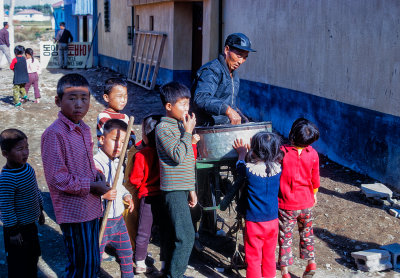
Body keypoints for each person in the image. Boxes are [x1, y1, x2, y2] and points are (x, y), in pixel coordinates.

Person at [41, 73, 110, 277]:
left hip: (91, 207)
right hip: (74, 213)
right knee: (82, 265)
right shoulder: (54, 134)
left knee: (91, 261)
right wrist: (90, 186)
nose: (79, 104)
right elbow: (57, 178)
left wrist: (97, 175)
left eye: (84, 98)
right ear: (57, 101)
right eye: (72, 99)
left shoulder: (84, 129)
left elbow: (86, 163)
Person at [155, 82, 197, 278]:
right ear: (169, 106)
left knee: (177, 235)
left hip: (182, 187)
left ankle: (171, 273)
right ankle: (175, 275)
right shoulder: (163, 128)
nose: (186, 108)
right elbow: (177, 156)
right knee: (186, 237)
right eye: (182, 104)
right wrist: (188, 134)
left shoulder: (180, 126)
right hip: (172, 189)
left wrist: (191, 188)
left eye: (188, 103)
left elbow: (188, 162)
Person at [232, 132, 284, 278]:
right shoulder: (278, 169)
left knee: (254, 257)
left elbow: (240, 166)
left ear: (254, 150)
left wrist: (242, 153)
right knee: (269, 256)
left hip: (254, 222)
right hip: (273, 222)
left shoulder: (248, 170)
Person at [0, 128, 45, 278]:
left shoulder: (28, 168)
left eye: (26, 148)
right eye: (20, 149)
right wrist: (13, 232)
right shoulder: (7, 179)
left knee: (33, 257)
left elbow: (35, 190)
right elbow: (6, 207)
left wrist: (40, 210)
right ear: (5, 154)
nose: (25, 153)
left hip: (30, 226)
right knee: (18, 265)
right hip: (17, 231)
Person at [278, 118, 320, 278]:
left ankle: (285, 271)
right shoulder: (313, 154)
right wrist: (314, 194)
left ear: (291, 134)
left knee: (285, 236)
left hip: (286, 205)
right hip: (306, 203)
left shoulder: (282, 152)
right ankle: (311, 263)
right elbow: (315, 179)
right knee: (307, 233)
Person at [94, 119, 135, 278]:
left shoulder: (118, 162)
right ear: (102, 139)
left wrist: (126, 195)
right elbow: (92, 189)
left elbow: (119, 185)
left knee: (126, 254)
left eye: (123, 142)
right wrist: (103, 193)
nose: (119, 145)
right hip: (102, 221)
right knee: (94, 257)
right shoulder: (96, 164)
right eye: (115, 140)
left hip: (118, 220)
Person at [129, 114, 167, 274]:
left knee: (144, 231)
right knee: (166, 231)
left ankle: (140, 262)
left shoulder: (141, 155)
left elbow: (135, 179)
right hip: (165, 196)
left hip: (147, 197)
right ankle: (165, 264)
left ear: (145, 135)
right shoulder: (165, 153)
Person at [191, 33, 255, 126]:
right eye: (239, 56)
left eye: (245, 57)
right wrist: (228, 110)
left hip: (224, 127)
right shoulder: (212, 70)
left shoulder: (234, 74)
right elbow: (201, 98)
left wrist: (242, 118)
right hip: (207, 127)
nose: (241, 61)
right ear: (227, 49)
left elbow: (229, 102)